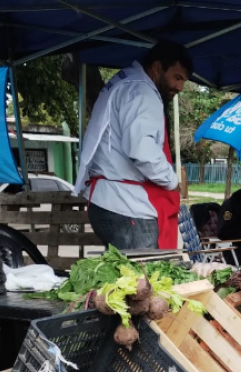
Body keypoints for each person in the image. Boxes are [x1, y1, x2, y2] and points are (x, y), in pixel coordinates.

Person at [74, 41, 191, 250]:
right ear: (157, 68)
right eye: (177, 77)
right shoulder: (142, 90)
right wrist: (171, 181)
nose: (180, 87)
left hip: (107, 201)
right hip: (127, 207)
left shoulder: (125, 80)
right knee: (148, 277)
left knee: (125, 278)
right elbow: (141, 150)